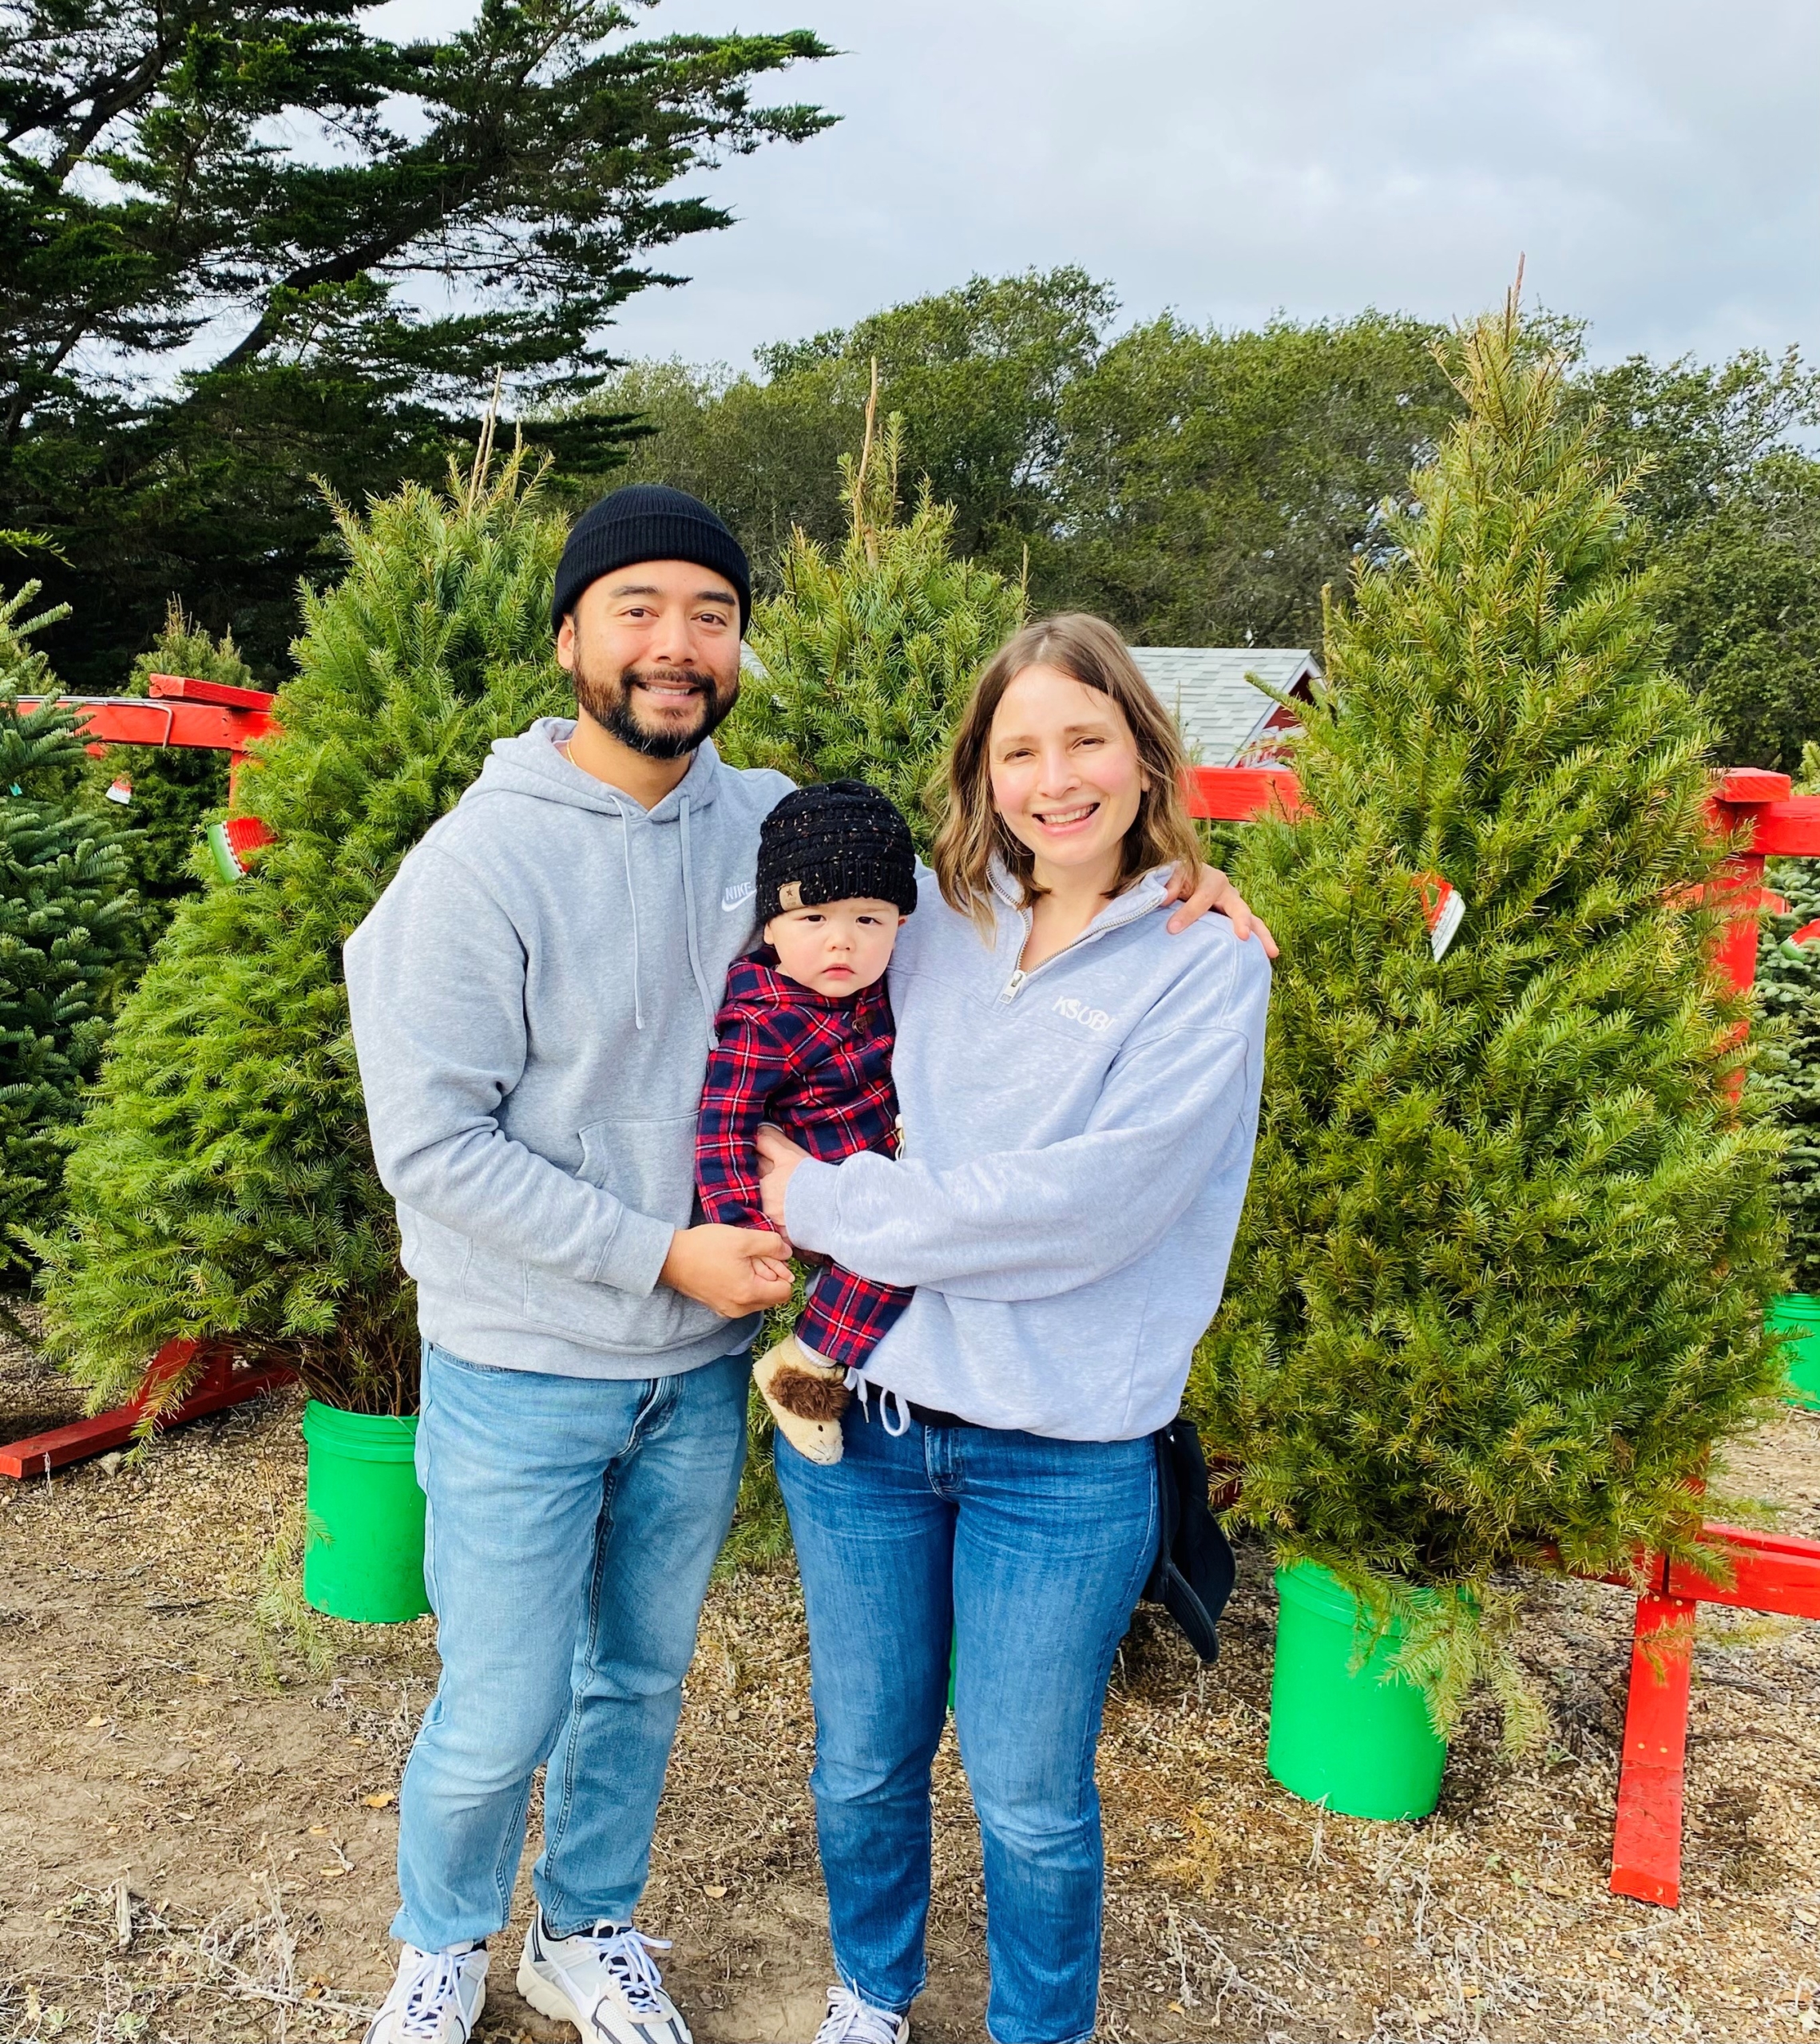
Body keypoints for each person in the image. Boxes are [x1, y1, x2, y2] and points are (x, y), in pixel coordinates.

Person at [342, 485, 1266, 2044]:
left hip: (707, 1368)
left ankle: (583, 1928)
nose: (673, 643)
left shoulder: (774, 833)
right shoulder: (478, 861)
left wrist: (1191, 885)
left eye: (706, 612)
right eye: (634, 607)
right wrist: (670, 1246)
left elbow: (1000, 952)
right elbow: (427, 1145)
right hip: (536, 1356)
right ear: (569, 632)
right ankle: (441, 1941)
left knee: (640, 1682)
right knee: (502, 1702)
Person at [755, 614, 1273, 2044]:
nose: (1055, 779)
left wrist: (831, 1204)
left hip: (1062, 1461)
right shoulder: (926, 924)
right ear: (980, 775)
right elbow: (770, 887)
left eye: (1084, 740)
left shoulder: (1201, 960)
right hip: (866, 1428)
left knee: (1029, 1796)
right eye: (1019, 749)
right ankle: (871, 1994)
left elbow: (1078, 1213)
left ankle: (1036, 2032)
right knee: (862, 1760)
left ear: (1142, 751)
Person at [695, 779, 920, 1464]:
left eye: (868, 920)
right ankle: (803, 1367)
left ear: (901, 925)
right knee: (895, 1256)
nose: (841, 944)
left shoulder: (878, 986)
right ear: (770, 926)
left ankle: (814, 1359)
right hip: (821, 1195)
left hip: (878, 1174)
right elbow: (723, 1126)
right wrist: (745, 1231)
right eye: (813, 920)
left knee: (912, 1241)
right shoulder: (765, 1018)